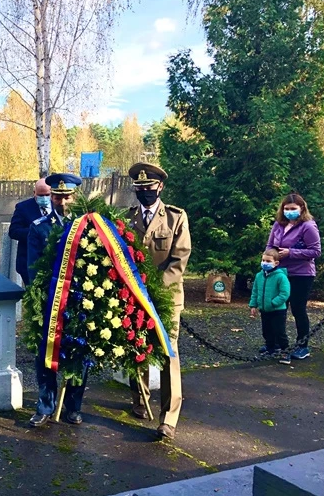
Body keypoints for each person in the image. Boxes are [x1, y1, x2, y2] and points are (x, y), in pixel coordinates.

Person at [125, 162, 191, 441]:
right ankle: (140, 399)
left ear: (160, 187)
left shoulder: (176, 218)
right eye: (139, 189)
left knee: (168, 354)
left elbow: (180, 258)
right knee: (135, 345)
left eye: (149, 188)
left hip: (166, 297)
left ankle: (169, 418)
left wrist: (154, 289)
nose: (144, 193)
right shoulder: (127, 218)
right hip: (134, 295)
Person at [26, 173, 88, 428]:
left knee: (79, 353)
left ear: (75, 197)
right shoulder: (39, 227)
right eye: (57, 196)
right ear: (50, 197)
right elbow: (33, 268)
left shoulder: (87, 226)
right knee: (46, 355)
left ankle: (73, 407)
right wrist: (41, 298)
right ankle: (45, 406)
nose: (62, 201)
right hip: (50, 303)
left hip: (79, 302)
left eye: (67, 196)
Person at [266, 193, 321, 364]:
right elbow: (270, 245)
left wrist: (291, 252)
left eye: (293, 209)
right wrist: (269, 257)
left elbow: (315, 251)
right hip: (280, 272)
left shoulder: (308, 227)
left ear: (301, 208)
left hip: (301, 274)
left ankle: (302, 346)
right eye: (286, 209)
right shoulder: (278, 225)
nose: (289, 212)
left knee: (298, 309)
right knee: (278, 309)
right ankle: (276, 344)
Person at [9, 178, 52, 286]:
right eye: (40, 195)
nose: (44, 198)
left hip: (53, 262)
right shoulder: (23, 208)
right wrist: (36, 233)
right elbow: (14, 231)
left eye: (47, 194)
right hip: (29, 261)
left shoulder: (58, 206)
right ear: (34, 193)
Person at [249, 248, 290, 356]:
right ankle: (270, 348)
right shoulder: (259, 276)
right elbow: (255, 291)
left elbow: (284, 293)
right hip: (264, 309)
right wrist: (253, 305)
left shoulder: (280, 277)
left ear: (276, 263)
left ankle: (285, 351)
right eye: (263, 260)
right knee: (267, 331)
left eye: (268, 261)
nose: (264, 263)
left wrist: (273, 302)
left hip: (277, 310)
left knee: (279, 332)